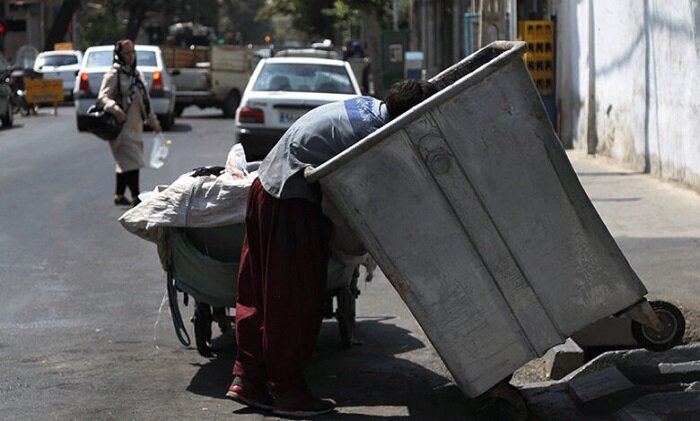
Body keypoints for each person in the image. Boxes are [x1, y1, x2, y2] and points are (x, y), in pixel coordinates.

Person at [227, 79, 438, 418]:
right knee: (295, 298)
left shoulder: (369, 107)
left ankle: (248, 378)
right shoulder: (374, 137)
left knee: (259, 292)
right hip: (289, 201)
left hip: (265, 186)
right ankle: (287, 390)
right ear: (408, 116)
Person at [98, 39, 162, 206]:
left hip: (136, 126)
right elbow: (102, 97)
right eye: (126, 53)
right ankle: (136, 196)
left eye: (132, 52)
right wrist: (115, 108)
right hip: (120, 127)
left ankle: (119, 195)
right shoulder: (114, 74)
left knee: (125, 162)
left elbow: (146, 102)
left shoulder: (137, 75)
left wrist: (153, 122)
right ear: (119, 55)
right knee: (132, 161)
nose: (131, 56)